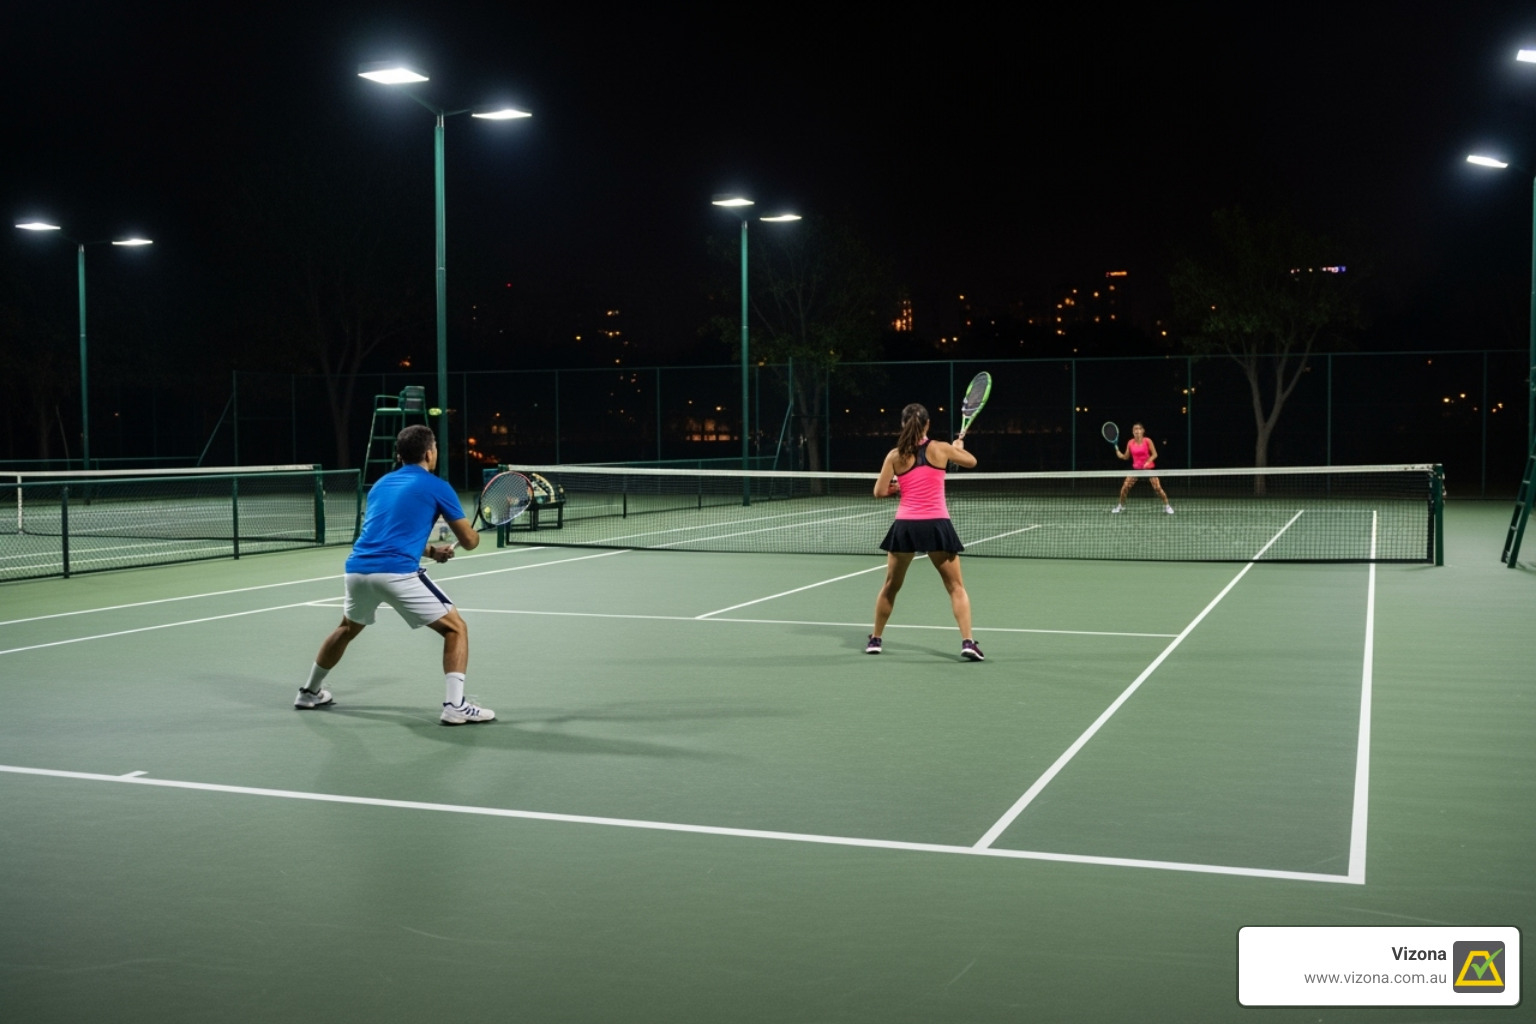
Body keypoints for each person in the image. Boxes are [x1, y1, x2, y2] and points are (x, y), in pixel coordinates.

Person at [294, 424, 495, 725]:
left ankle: (308, 693)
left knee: (347, 629)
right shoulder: (437, 486)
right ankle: (455, 705)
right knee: (456, 628)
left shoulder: (380, 485)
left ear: (399, 456)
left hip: (358, 570)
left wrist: (431, 551)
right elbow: (469, 541)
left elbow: (386, 534)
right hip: (396, 573)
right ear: (430, 453)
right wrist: (474, 537)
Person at [866, 403, 983, 661]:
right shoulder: (940, 448)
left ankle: (875, 640)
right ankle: (967, 642)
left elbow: (879, 492)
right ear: (928, 424)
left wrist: (895, 489)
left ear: (902, 424)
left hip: (906, 526)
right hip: (936, 525)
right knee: (956, 588)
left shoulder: (895, 455)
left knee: (891, 586)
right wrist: (957, 448)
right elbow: (971, 462)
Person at [1112, 422, 1173, 514]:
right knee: (1125, 487)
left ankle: (1167, 506)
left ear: (1143, 431)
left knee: (1157, 488)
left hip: (1149, 469)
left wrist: (1148, 462)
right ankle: (1120, 506)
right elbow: (1126, 457)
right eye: (1135, 429)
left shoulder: (1147, 441)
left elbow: (1155, 454)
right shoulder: (1130, 443)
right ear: (1133, 432)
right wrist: (1119, 453)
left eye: (1139, 429)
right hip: (1136, 469)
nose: (1137, 431)